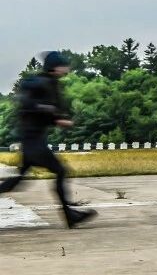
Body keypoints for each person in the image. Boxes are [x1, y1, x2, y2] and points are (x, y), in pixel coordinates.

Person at [0, 51, 96, 228]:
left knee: (18, 181)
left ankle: (70, 215)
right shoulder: (42, 83)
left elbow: (38, 113)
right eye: (64, 65)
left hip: (31, 141)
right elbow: (30, 106)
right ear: (55, 67)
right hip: (34, 142)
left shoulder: (49, 83)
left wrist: (56, 119)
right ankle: (70, 216)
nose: (67, 68)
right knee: (60, 171)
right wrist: (53, 114)